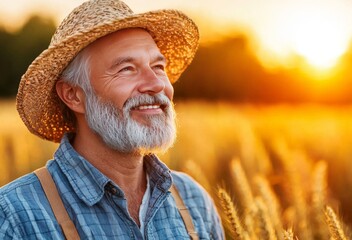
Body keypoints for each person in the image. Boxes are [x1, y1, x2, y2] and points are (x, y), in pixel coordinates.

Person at [0, 0, 224, 239]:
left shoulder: (194, 201)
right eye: (126, 68)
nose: (157, 83)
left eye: (158, 66)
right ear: (73, 95)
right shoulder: (15, 217)